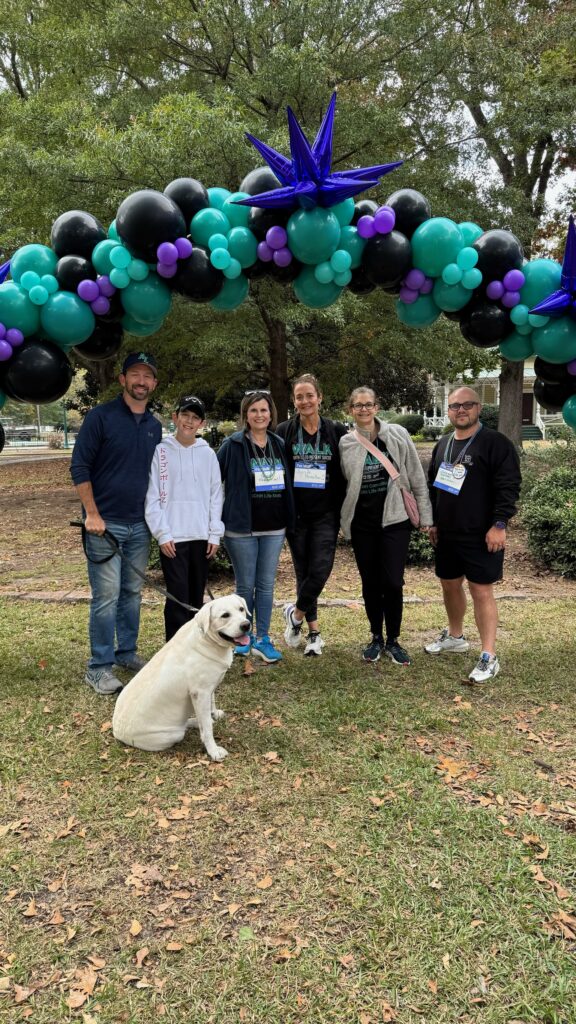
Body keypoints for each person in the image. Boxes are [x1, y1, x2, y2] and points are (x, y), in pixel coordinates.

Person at [70, 351, 161, 694]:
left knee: (132, 593)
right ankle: (99, 666)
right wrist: (92, 513)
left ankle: (126, 652)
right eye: (134, 375)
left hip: (140, 525)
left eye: (147, 376)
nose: (141, 381)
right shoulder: (100, 417)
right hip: (103, 525)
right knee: (106, 596)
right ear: (122, 379)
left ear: (153, 383)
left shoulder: (154, 426)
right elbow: (79, 467)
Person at [424, 386, 521, 682]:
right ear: (449, 411)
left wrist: (500, 524)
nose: (460, 410)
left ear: (479, 408)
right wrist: (433, 522)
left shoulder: (495, 443)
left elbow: (509, 486)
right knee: (450, 584)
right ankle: (455, 636)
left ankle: (489, 655)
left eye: (467, 404)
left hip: (483, 534)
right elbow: (434, 486)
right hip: (448, 533)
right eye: (454, 406)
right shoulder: (443, 444)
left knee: (481, 590)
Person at [339, 386, 433, 665]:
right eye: (358, 405)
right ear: (351, 410)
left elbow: (416, 476)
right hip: (362, 524)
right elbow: (343, 484)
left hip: (395, 520)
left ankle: (393, 639)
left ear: (377, 407)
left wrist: (426, 517)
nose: (364, 409)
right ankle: (375, 638)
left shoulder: (398, 434)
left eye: (368, 404)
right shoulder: (346, 443)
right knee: (370, 583)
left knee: (392, 582)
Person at [217, 390, 294, 664]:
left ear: (270, 414)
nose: (259, 415)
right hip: (241, 528)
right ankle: (242, 639)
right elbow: (215, 483)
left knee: (266, 585)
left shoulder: (278, 443)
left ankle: (263, 638)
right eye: (254, 411)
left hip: (274, 527)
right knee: (245, 585)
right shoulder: (232, 444)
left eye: (264, 410)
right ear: (245, 415)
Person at [276, 373, 348, 656]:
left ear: (320, 398)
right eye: (299, 396)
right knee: (303, 571)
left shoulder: (336, 430)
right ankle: (314, 632)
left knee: (321, 569)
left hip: (326, 513)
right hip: (296, 515)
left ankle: (294, 615)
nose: (305, 401)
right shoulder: (284, 431)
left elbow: (349, 466)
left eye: (310, 395)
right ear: (295, 401)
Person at [145, 394, 224, 642]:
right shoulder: (161, 451)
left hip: (201, 536)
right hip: (173, 539)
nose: (189, 421)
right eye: (185, 415)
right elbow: (152, 495)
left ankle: (196, 647)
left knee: (195, 598)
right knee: (177, 598)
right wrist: (162, 533)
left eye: (195, 417)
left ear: (201, 423)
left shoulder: (207, 454)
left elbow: (215, 495)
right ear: (175, 417)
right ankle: (174, 649)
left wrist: (214, 533)